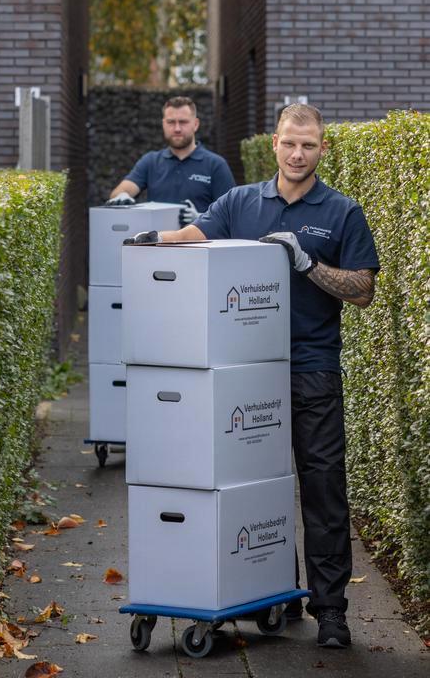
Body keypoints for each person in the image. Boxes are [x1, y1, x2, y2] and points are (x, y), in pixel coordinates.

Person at [126, 103, 379, 650]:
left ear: (322, 150)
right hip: (243, 377)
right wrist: (154, 242)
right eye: (290, 143)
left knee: (323, 492)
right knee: (251, 489)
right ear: (275, 145)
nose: (297, 153)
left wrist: (308, 265)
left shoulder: (341, 212)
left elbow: (362, 290)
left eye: (308, 145)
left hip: (310, 369)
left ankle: (331, 611)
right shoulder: (242, 202)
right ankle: (276, 590)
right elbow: (200, 233)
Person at [106, 96, 235, 225]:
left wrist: (201, 218)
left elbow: (231, 213)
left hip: (199, 243)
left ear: (195, 124)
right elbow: (118, 193)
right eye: (171, 122)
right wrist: (121, 196)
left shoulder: (215, 165)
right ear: (163, 124)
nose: (177, 128)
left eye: (183, 122)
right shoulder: (150, 162)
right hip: (156, 242)